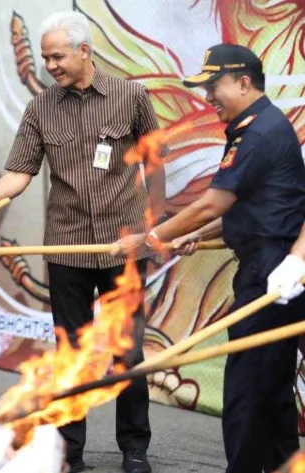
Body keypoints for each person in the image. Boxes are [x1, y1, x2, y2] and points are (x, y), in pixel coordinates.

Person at [0, 11, 164, 473]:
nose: (50, 65)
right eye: (46, 57)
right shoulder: (41, 107)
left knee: (126, 349)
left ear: (84, 50)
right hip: (67, 246)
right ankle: (69, 450)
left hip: (123, 245)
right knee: (69, 348)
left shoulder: (131, 97)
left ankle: (135, 447)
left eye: (57, 56)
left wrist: (155, 227)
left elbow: (155, 163)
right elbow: (18, 174)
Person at [116, 44, 305, 473]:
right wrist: (194, 237)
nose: (208, 97)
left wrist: (151, 238)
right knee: (270, 387)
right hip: (267, 262)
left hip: (273, 270)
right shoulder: (253, 128)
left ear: (243, 82)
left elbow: (212, 204)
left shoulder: (259, 132)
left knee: (246, 387)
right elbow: (246, 209)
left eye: (213, 86)